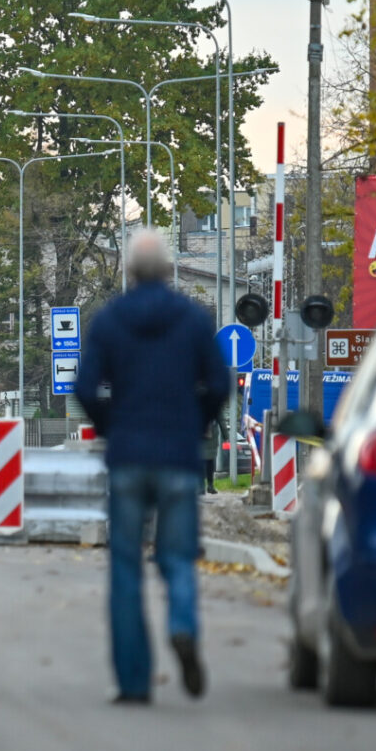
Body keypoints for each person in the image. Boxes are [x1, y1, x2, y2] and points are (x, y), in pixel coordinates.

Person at [75, 229, 230, 705]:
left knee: (125, 567)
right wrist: (196, 422)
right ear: (166, 269)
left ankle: (133, 682)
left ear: (129, 271)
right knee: (178, 556)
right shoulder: (193, 319)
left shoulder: (109, 320)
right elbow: (219, 383)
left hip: (127, 458)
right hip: (179, 457)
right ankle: (182, 626)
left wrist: (111, 425)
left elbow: (84, 387)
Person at [201, 407, 227, 494]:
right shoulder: (213, 403)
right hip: (210, 436)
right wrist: (226, 436)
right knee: (209, 462)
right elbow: (221, 420)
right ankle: (210, 485)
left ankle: (201, 486)